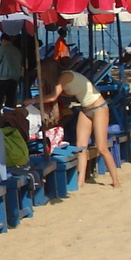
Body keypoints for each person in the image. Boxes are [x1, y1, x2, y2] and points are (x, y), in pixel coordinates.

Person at [38, 60, 120, 188]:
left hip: (99, 107)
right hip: (86, 108)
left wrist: (32, 99)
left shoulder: (65, 76)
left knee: (102, 147)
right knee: (81, 147)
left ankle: (116, 181)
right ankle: (80, 182)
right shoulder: (62, 80)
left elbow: (53, 97)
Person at [0, 29, 25, 118]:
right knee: (11, 100)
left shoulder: (3, 48)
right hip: (14, 78)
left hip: (4, 77)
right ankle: (9, 117)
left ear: (3, 40)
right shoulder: (16, 50)